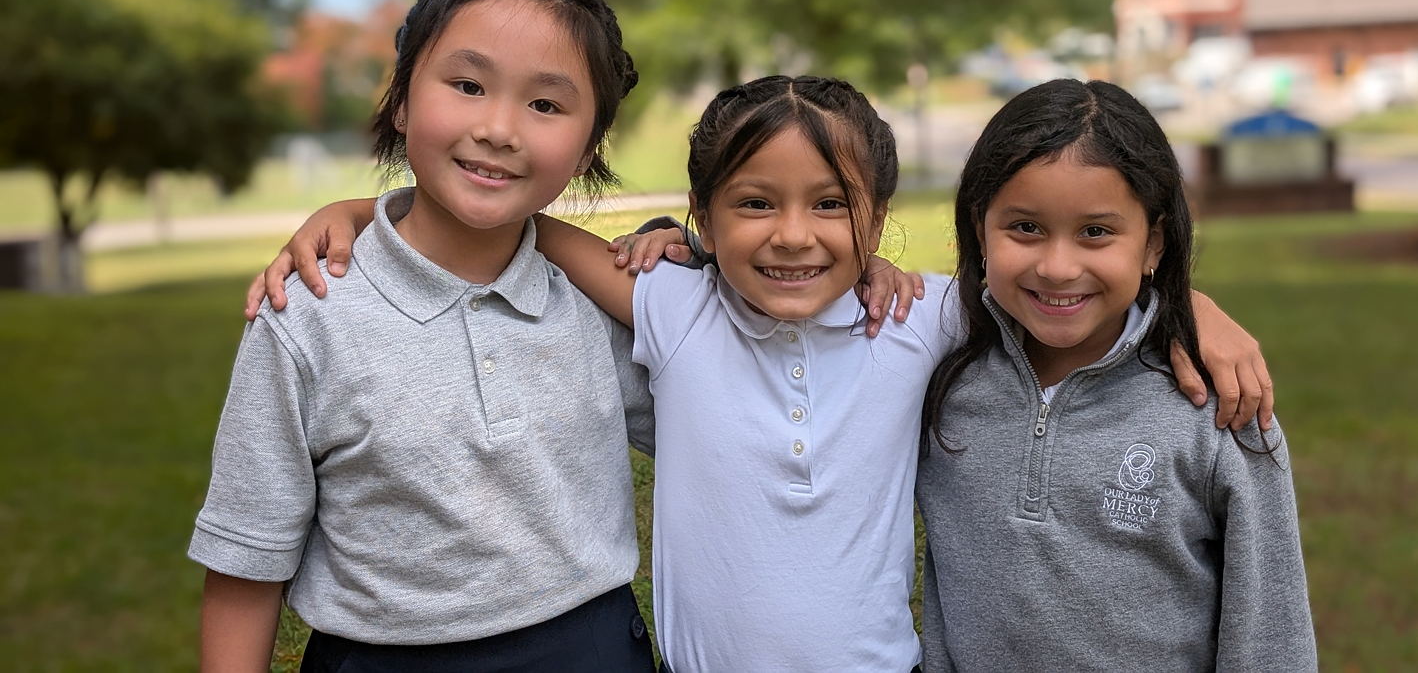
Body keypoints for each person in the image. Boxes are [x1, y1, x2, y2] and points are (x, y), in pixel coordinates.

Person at [255, 75, 1275, 671]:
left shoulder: (922, 317)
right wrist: (364, 216)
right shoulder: (673, 303)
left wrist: (1192, 306)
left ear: (876, 218)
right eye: (754, 204)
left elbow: (1062, 278)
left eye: (831, 206)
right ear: (701, 216)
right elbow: (519, 225)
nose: (794, 237)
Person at [191, 0, 657, 671]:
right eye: (468, 85)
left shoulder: (598, 305)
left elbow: (751, 378)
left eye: (545, 104)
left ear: (589, 143)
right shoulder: (308, 311)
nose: (500, 128)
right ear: (403, 98)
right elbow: (246, 560)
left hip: (588, 648)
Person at [915, 78, 1316, 671]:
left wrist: (1189, 304)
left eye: (1096, 232)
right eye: (1025, 227)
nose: (1057, 267)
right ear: (980, 228)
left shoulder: (1221, 408)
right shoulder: (935, 370)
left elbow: (1271, 636)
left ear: (1152, 242)